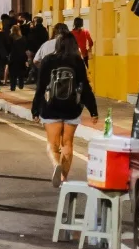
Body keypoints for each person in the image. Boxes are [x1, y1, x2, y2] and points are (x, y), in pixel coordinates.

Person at [32, 32, 99, 187]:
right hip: (72, 108)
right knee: (67, 144)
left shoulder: (48, 60)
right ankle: (63, 179)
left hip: (51, 108)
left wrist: (35, 109)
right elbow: (86, 88)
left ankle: (56, 164)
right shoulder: (77, 61)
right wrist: (93, 111)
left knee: (52, 144)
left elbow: (40, 87)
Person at [7, 24, 29, 91]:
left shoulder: (10, 37)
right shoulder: (23, 38)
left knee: (12, 72)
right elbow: (26, 47)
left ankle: (12, 86)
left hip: (13, 56)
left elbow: (8, 47)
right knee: (21, 71)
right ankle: (21, 85)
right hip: (22, 56)